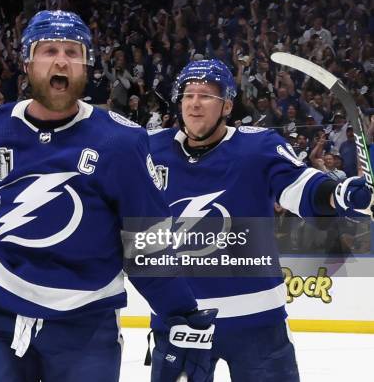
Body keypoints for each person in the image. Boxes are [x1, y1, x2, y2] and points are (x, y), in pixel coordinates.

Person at [0, 10, 216, 382]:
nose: (61, 59)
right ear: (28, 62)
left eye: (72, 51)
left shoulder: (121, 142)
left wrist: (181, 317)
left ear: (86, 66)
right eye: (49, 50)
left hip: (87, 323)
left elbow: (147, 247)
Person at [147, 59, 372, 381]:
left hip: (257, 320)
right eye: (188, 95)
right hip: (179, 320)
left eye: (206, 95)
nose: (195, 103)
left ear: (227, 105)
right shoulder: (151, 150)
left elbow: (301, 187)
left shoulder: (258, 147)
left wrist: (339, 194)